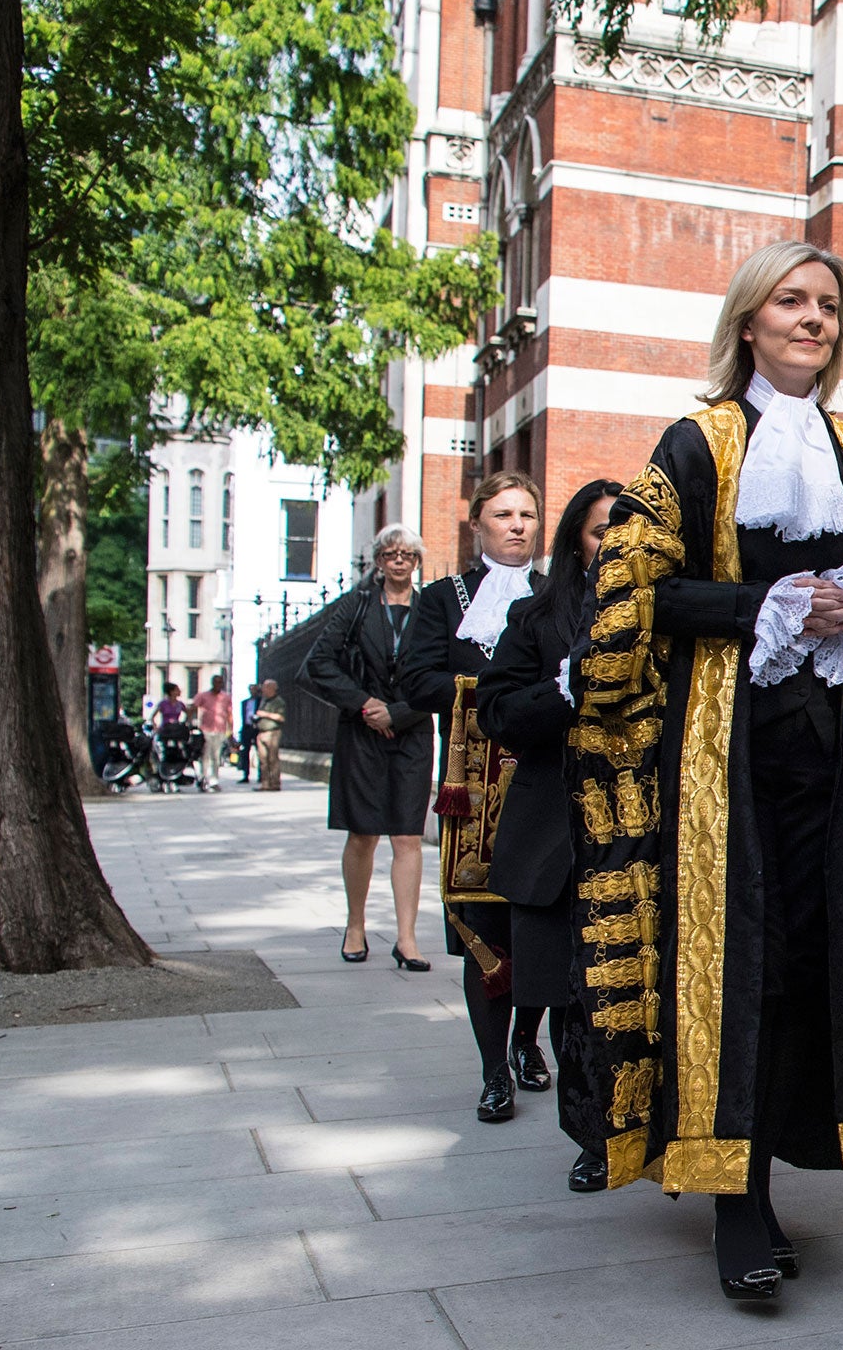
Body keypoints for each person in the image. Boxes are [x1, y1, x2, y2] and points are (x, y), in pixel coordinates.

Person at [567, 240, 843, 1302]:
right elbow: (639, 597)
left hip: (835, 762)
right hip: (716, 762)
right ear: (748, 320)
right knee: (736, 962)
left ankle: (781, 1160)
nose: (813, 320)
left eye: (828, 304)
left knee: (814, 960)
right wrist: (767, 608)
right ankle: (738, 1202)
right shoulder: (693, 445)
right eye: (792, 301)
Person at [478, 478, 622, 1194]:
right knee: (570, 1003)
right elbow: (496, 713)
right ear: (575, 540)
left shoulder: (661, 613)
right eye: (600, 531)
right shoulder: (537, 618)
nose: (613, 543)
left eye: (624, 530)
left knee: (620, 999)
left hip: (635, 835)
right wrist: (561, 692)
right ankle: (591, 1138)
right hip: (556, 836)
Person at [398, 472, 549, 1122]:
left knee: (539, 920)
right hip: (474, 791)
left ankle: (526, 1039)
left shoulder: (555, 594)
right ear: (477, 524)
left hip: (542, 783)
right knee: (483, 927)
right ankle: (493, 1072)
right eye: (503, 514)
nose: (517, 525)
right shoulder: (442, 597)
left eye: (527, 514)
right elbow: (415, 676)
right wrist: (490, 693)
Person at [300, 525, 437, 967]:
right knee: (363, 834)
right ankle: (355, 925)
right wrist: (364, 704)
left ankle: (407, 938)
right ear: (378, 561)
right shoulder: (356, 606)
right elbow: (317, 663)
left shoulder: (430, 609)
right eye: (391, 554)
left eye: (408, 555)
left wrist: (396, 712)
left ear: (417, 562)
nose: (400, 561)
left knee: (407, 836)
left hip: (411, 732)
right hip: (361, 734)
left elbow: (443, 672)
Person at [194, 675, 234, 792]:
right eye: (216, 682)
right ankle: (204, 779)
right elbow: (194, 707)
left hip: (219, 730)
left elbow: (229, 714)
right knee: (205, 756)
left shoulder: (225, 697)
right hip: (206, 729)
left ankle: (214, 780)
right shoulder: (203, 696)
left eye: (220, 682)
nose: (218, 684)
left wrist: (230, 729)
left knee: (216, 756)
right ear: (212, 683)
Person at [252, 679, 287, 790]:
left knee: (273, 759)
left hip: (273, 732)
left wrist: (265, 714)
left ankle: (275, 783)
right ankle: (265, 783)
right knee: (263, 760)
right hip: (261, 732)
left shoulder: (279, 702)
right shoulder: (264, 700)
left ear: (272, 688)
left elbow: (281, 717)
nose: (263, 689)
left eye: (265, 687)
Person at [237, 683, 260, 782]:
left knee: (260, 752)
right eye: (251, 689)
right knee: (245, 752)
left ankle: (261, 775)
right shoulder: (244, 702)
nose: (252, 691)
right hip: (246, 728)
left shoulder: (260, 702)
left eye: (254, 689)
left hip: (256, 728)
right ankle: (246, 774)